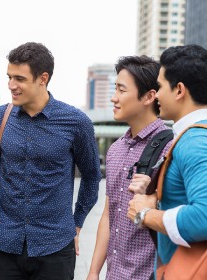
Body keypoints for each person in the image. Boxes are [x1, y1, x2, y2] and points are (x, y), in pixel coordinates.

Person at [0, 42, 101, 280]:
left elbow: (91, 176)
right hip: (5, 243)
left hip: (55, 246)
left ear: (42, 78)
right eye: (9, 77)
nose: (11, 85)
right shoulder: (0, 117)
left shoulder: (76, 122)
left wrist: (76, 223)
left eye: (19, 79)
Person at [86, 56, 172, 280]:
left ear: (149, 96)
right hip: (113, 274)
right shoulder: (116, 150)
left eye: (121, 90)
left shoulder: (170, 148)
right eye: (115, 89)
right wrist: (94, 271)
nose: (114, 98)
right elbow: (109, 214)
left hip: (149, 275)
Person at [127, 45, 207, 270]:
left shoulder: (194, 142)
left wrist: (146, 215)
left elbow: (205, 216)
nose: (157, 95)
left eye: (160, 86)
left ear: (179, 90)